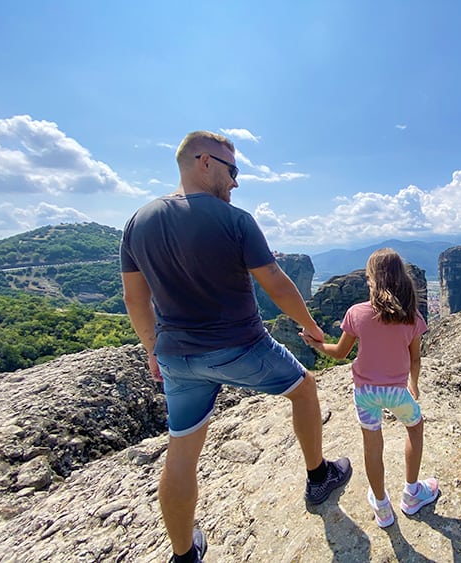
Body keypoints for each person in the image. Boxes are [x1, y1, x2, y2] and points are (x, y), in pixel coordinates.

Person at [120, 131, 352, 562]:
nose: (236, 182)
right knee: (303, 387)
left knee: (182, 450)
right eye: (233, 170)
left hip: (177, 357)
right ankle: (319, 477)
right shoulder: (236, 220)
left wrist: (153, 348)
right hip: (241, 347)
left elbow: (135, 299)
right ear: (204, 162)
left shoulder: (138, 221)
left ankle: (184, 554)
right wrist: (312, 328)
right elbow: (278, 286)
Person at [301, 248, 438, 528]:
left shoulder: (357, 314)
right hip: (397, 392)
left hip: (365, 393)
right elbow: (415, 358)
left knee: (372, 446)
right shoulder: (412, 317)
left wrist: (316, 344)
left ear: (373, 280)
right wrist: (414, 385)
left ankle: (382, 507)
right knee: (415, 426)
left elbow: (339, 353)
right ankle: (412, 494)